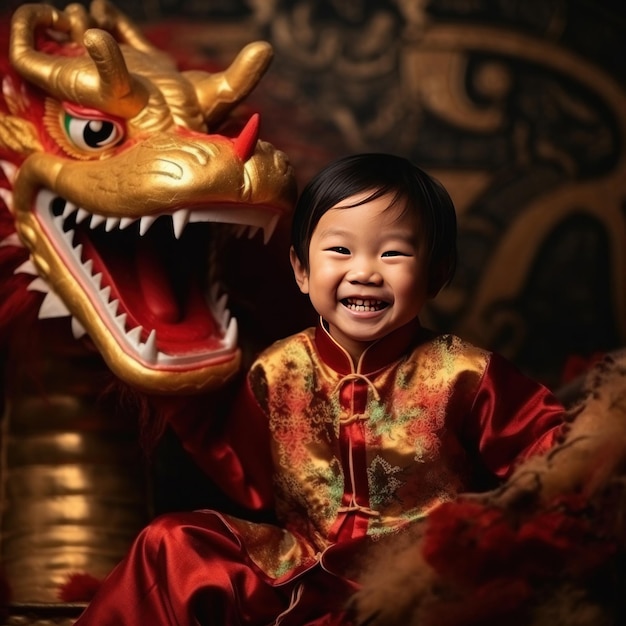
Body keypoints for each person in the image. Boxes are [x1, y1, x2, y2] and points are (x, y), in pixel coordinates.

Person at [74, 153, 565, 625]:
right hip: (299, 572)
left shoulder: (464, 371)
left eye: (393, 252)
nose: (365, 271)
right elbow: (244, 471)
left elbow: (553, 455)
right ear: (301, 270)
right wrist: (177, 392)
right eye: (340, 250)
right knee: (173, 543)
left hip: (420, 581)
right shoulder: (277, 368)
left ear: (437, 274)